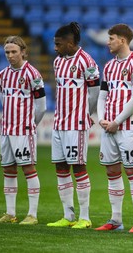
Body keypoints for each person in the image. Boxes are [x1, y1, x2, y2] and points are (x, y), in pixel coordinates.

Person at [47, 22, 100, 229]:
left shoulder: (87, 62)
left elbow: (94, 91)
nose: (55, 48)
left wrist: (87, 113)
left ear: (70, 43)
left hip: (76, 124)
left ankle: (85, 217)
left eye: (58, 44)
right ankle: (68, 216)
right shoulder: (58, 61)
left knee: (79, 167)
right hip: (59, 122)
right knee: (61, 168)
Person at [95, 24, 133, 232]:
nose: (108, 42)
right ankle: (115, 220)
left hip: (129, 127)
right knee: (111, 170)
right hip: (109, 127)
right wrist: (101, 119)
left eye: (112, 38)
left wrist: (116, 121)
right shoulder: (108, 66)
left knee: (132, 171)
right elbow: (102, 95)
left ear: (123, 40)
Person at [0, 36, 46, 225]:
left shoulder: (33, 74)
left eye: (14, 51)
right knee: (8, 169)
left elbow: (41, 107)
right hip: (7, 130)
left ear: (23, 52)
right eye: (7, 52)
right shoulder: (2, 75)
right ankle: (10, 213)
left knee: (28, 169)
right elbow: (3, 100)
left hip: (24, 130)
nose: (10, 55)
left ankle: (32, 214)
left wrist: (30, 124)